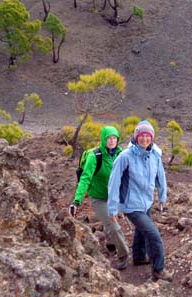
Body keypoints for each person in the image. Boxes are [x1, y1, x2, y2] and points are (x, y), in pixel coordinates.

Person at [107, 120, 171, 281]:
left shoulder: (154, 155)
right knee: (154, 235)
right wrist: (113, 208)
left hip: (146, 202)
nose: (144, 139)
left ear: (152, 137)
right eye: (141, 135)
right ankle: (158, 269)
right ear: (136, 137)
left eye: (147, 136)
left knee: (142, 231)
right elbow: (114, 183)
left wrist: (162, 196)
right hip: (131, 205)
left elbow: (160, 176)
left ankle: (139, 256)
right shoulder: (125, 157)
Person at [70, 126, 131, 270]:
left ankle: (110, 243)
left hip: (114, 197)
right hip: (99, 198)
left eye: (114, 138)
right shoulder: (95, 156)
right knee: (114, 227)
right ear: (103, 139)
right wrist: (76, 201)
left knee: (110, 224)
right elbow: (85, 179)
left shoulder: (120, 154)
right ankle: (123, 255)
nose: (111, 141)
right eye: (108, 138)